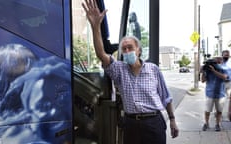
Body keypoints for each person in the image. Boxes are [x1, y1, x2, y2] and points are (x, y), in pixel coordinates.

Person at [82, 0, 179, 143]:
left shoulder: (153, 69)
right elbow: (101, 54)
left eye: (130, 47)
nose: (127, 51)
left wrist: (172, 120)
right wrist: (95, 26)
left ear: (138, 50)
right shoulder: (119, 70)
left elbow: (166, 97)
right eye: (124, 48)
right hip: (131, 125)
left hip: (154, 123)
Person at [201, 56, 228, 131]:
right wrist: (203, 72)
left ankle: (217, 124)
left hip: (220, 94)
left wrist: (214, 71)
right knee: (207, 110)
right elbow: (203, 80)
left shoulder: (223, 69)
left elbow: (224, 77)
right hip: (209, 93)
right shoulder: (208, 69)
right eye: (215, 61)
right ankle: (206, 123)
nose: (216, 63)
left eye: (218, 61)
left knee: (219, 111)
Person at [221, 50, 231, 120]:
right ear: (222, 55)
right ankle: (218, 114)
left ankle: (229, 114)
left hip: (230, 83)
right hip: (222, 83)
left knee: (230, 99)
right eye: (225, 55)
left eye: (228, 55)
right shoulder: (220, 63)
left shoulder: (230, 63)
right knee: (220, 99)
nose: (226, 56)